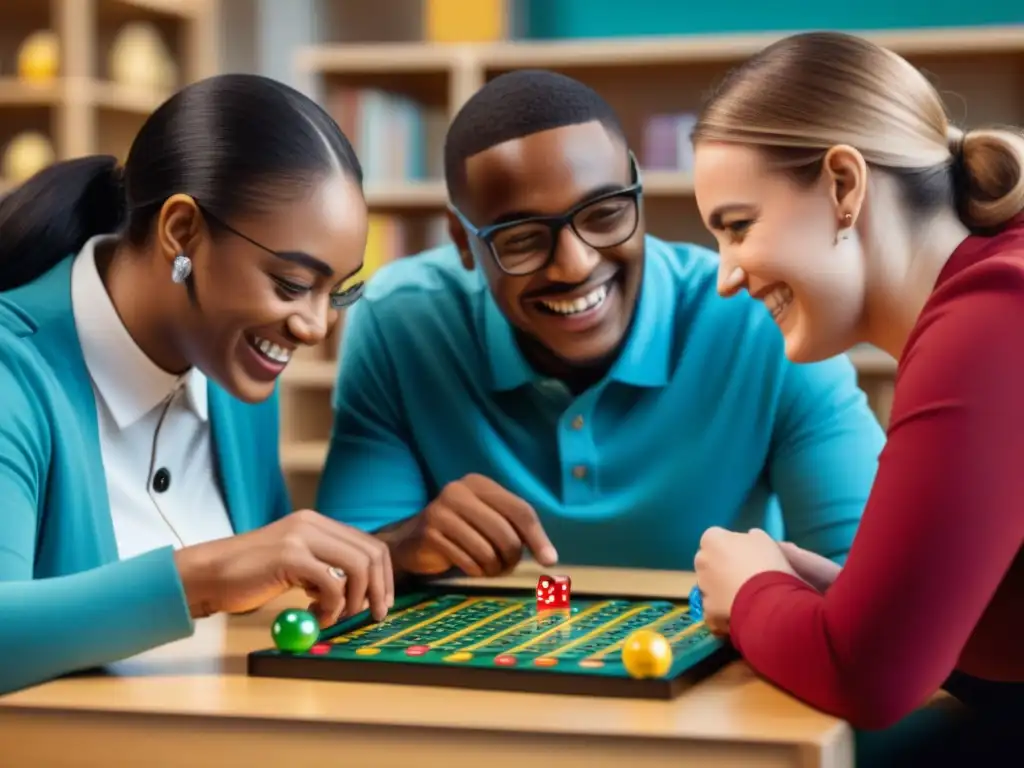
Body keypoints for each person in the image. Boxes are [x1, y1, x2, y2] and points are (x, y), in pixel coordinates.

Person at [316, 69, 886, 580]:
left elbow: (873, 583)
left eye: (606, 213)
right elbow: (345, 577)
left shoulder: (760, 316)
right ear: (465, 243)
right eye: (522, 239)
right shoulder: (399, 322)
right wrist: (403, 544)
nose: (576, 264)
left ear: (638, 193)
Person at [0, 73, 396, 696]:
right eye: (293, 284)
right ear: (182, 233)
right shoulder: (14, 372)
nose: (317, 326)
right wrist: (206, 578)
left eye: (338, 292)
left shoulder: (234, 371)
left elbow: (262, 611)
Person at [688, 31, 1024, 745]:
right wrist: (836, 602)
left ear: (844, 185)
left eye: (739, 227)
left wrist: (751, 593)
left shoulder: (988, 320)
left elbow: (869, 678)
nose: (725, 276)